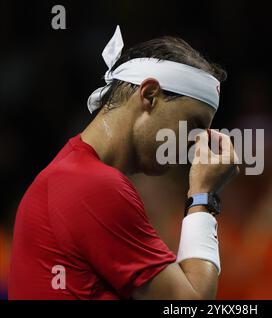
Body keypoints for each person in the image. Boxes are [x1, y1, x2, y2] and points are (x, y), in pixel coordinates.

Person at [9, 26, 239, 300]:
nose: (196, 143)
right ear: (149, 94)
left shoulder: (72, 173)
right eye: (194, 125)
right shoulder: (92, 185)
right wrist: (203, 196)